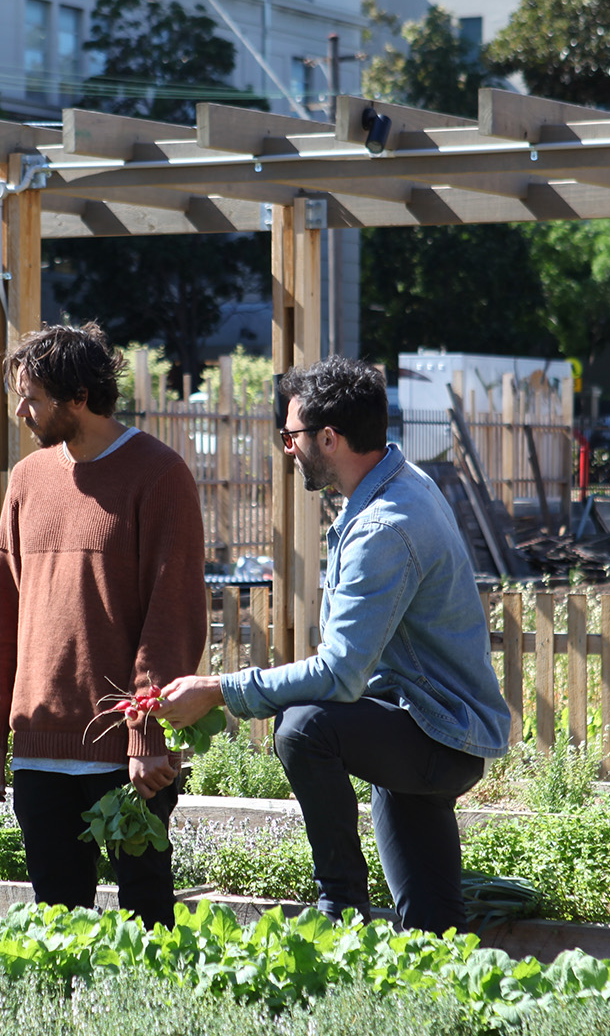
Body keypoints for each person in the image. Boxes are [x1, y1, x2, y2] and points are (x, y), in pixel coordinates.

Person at [159, 355, 510, 933]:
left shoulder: (384, 527)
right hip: (418, 722)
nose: (286, 447)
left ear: (329, 437)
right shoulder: (400, 483)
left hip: (433, 734)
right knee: (433, 930)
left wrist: (219, 689)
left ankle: (339, 910)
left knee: (303, 727)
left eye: (291, 435)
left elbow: (341, 676)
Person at [0, 323, 207, 927]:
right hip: (40, 749)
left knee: (148, 916)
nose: (22, 410)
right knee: (57, 922)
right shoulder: (27, 480)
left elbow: (172, 616)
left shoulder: (158, 475)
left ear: (77, 396)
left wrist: (146, 736)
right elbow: (3, 614)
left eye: (33, 397)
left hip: (124, 756)